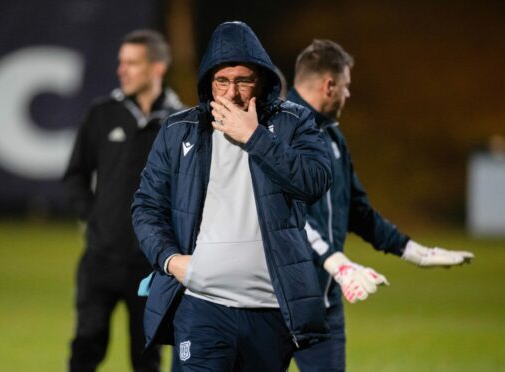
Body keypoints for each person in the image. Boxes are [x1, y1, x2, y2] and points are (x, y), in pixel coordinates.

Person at [131, 21, 333, 371]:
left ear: (263, 81)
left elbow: (314, 181)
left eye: (243, 80)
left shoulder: (294, 122)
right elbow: (146, 206)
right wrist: (170, 260)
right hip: (202, 306)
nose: (232, 92)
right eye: (222, 81)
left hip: (270, 310)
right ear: (208, 83)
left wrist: (255, 137)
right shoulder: (180, 130)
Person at [287, 39, 475, 372]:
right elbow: (285, 215)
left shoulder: (332, 137)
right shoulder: (277, 132)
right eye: (345, 87)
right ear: (329, 85)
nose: (348, 95)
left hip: (325, 302)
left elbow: (358, 211)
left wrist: (415, 252)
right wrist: (337, 262)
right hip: (274, 304)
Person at [63, 29, 183, 372]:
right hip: (101, 257)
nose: (122, 69)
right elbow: (75, 175)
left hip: (152, 264)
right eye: (121, 62)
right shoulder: (102, 114)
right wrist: (93, 218)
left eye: (132, 63)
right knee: (86, 345)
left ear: (158, 68)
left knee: (147, 356)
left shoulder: (181, 122)